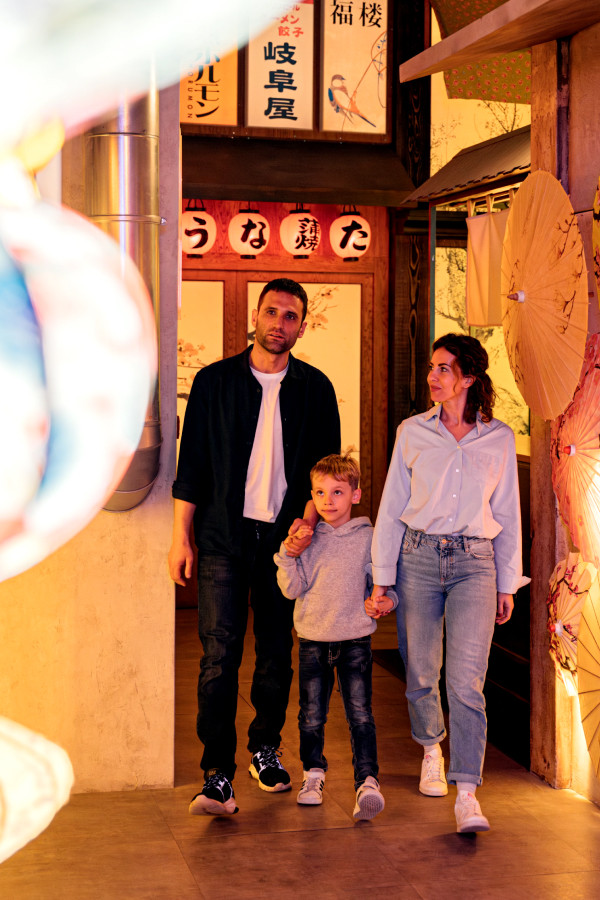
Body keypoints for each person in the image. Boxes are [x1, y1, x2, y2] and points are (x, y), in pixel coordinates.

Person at [168, 278, 340, 816]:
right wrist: (182, 538)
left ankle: (264, 748)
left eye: (290, 317)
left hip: (284, 543)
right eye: (272, 312)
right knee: (218, 657)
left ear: (301, 326)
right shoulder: (214, 382)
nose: (279, 324)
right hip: (222, 537)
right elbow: (190, 467)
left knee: (274, 655)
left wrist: (306, 526)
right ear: (255, 315)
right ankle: (216, 772)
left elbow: (325, 470)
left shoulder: (316, 388)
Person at [371, 333, 529, 834]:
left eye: (442, 369)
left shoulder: (498, 437)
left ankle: (467, 792)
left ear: (468, 378)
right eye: (432, 368)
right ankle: (431, 749)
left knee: (466, 680)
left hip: (476, 563)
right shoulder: (411, 432)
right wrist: (383, 577)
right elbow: (392, 506)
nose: (431, 377)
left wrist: (507, 583)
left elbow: (507, 513)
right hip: (417, 556)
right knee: (421, 669)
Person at [274, 454, 397, 820]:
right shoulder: (307, 538)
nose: (329, 500)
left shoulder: (370, 539)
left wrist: (383, 600)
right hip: (313, 640)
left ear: (356, 495)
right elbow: (292, 589)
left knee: (360, 714)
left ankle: (367, 781)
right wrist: (286, 554)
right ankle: (313, 775)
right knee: (311, 715)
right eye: (321, 492)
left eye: (338, 492)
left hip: (355, 640)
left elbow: (383, 586)